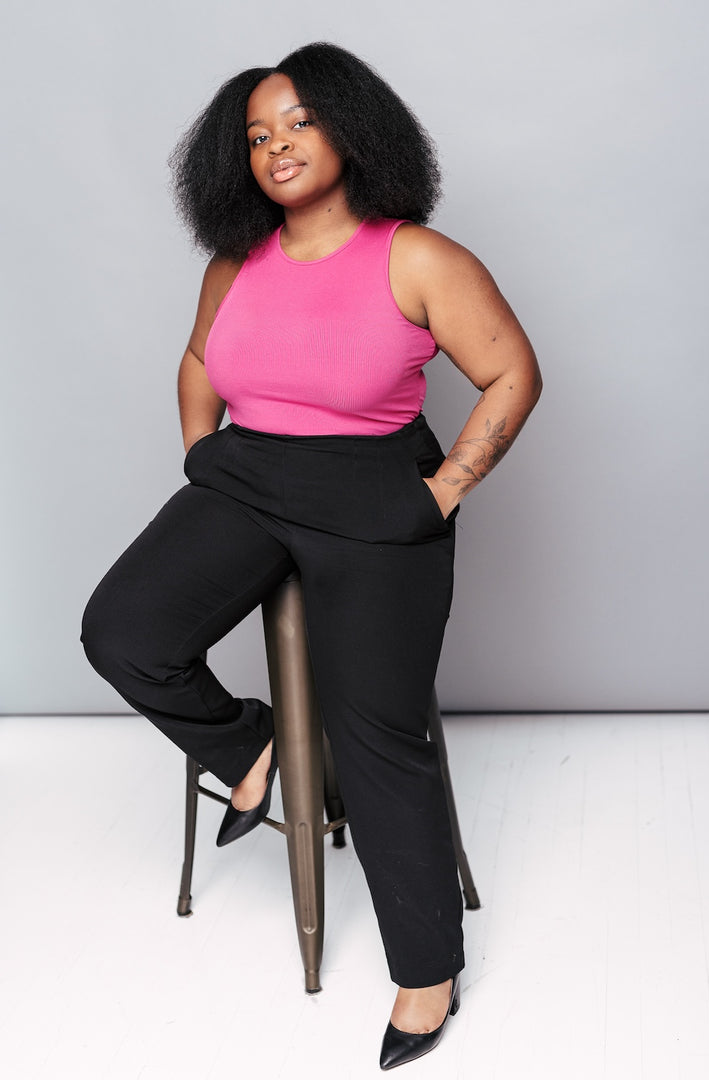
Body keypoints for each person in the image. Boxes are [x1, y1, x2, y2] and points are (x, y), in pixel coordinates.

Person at [81, 41, 542, 1071]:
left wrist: (442, 490)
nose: (277, 146)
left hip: (374, 487)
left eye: (299, 122)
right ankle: (251, 751)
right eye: (257, 135)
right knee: (122, 631)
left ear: (352, 130)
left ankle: (427, 969)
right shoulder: (235, 262)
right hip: (249, 476)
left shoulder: (417, 257)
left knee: (374, 730)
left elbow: (512, 370)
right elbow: (200, 359)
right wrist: (202, 453)